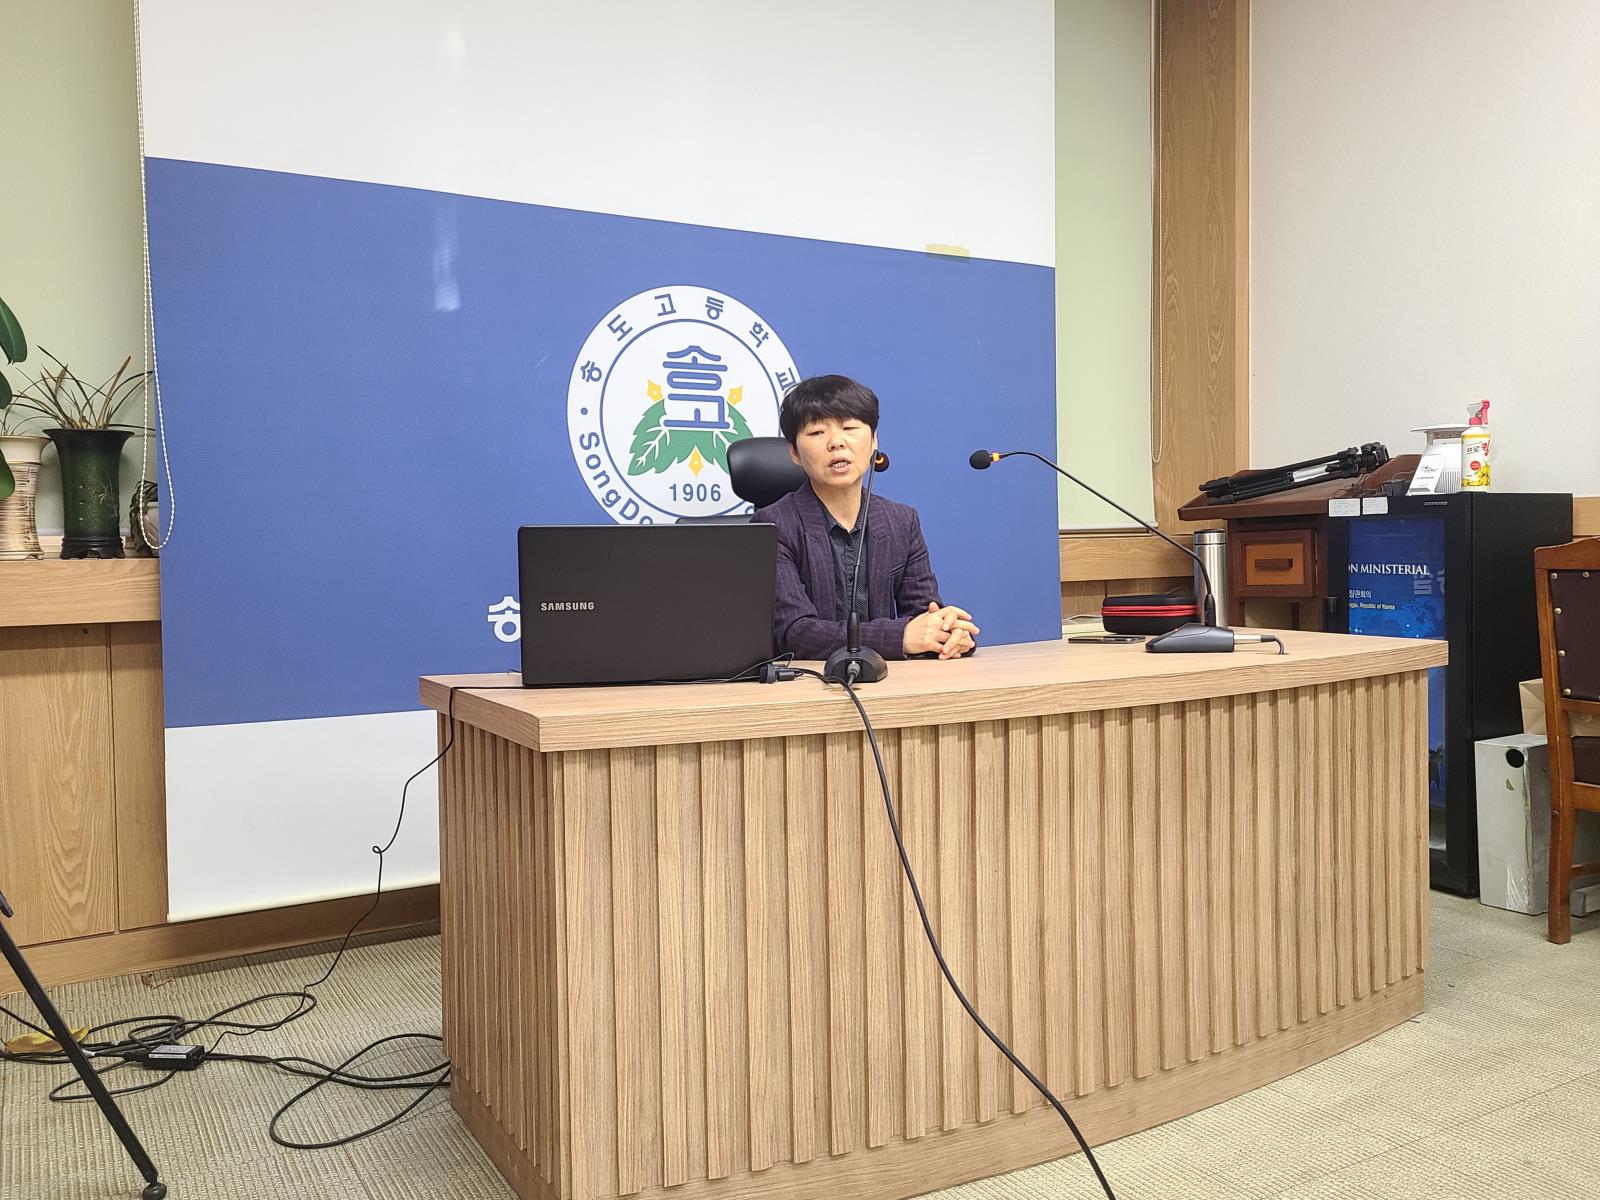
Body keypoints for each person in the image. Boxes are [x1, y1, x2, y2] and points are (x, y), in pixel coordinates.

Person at [754, 374, 979, 662]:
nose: (836, 442)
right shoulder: (773, 526)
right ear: (795, 452)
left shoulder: (902, 521)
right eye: (817, 433)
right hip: (809, 689)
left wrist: (949, 633)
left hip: (890, 686)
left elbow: (925, 613)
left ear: (874, 440)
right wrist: (901, 637)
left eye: (850, 427)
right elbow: (796, 633)